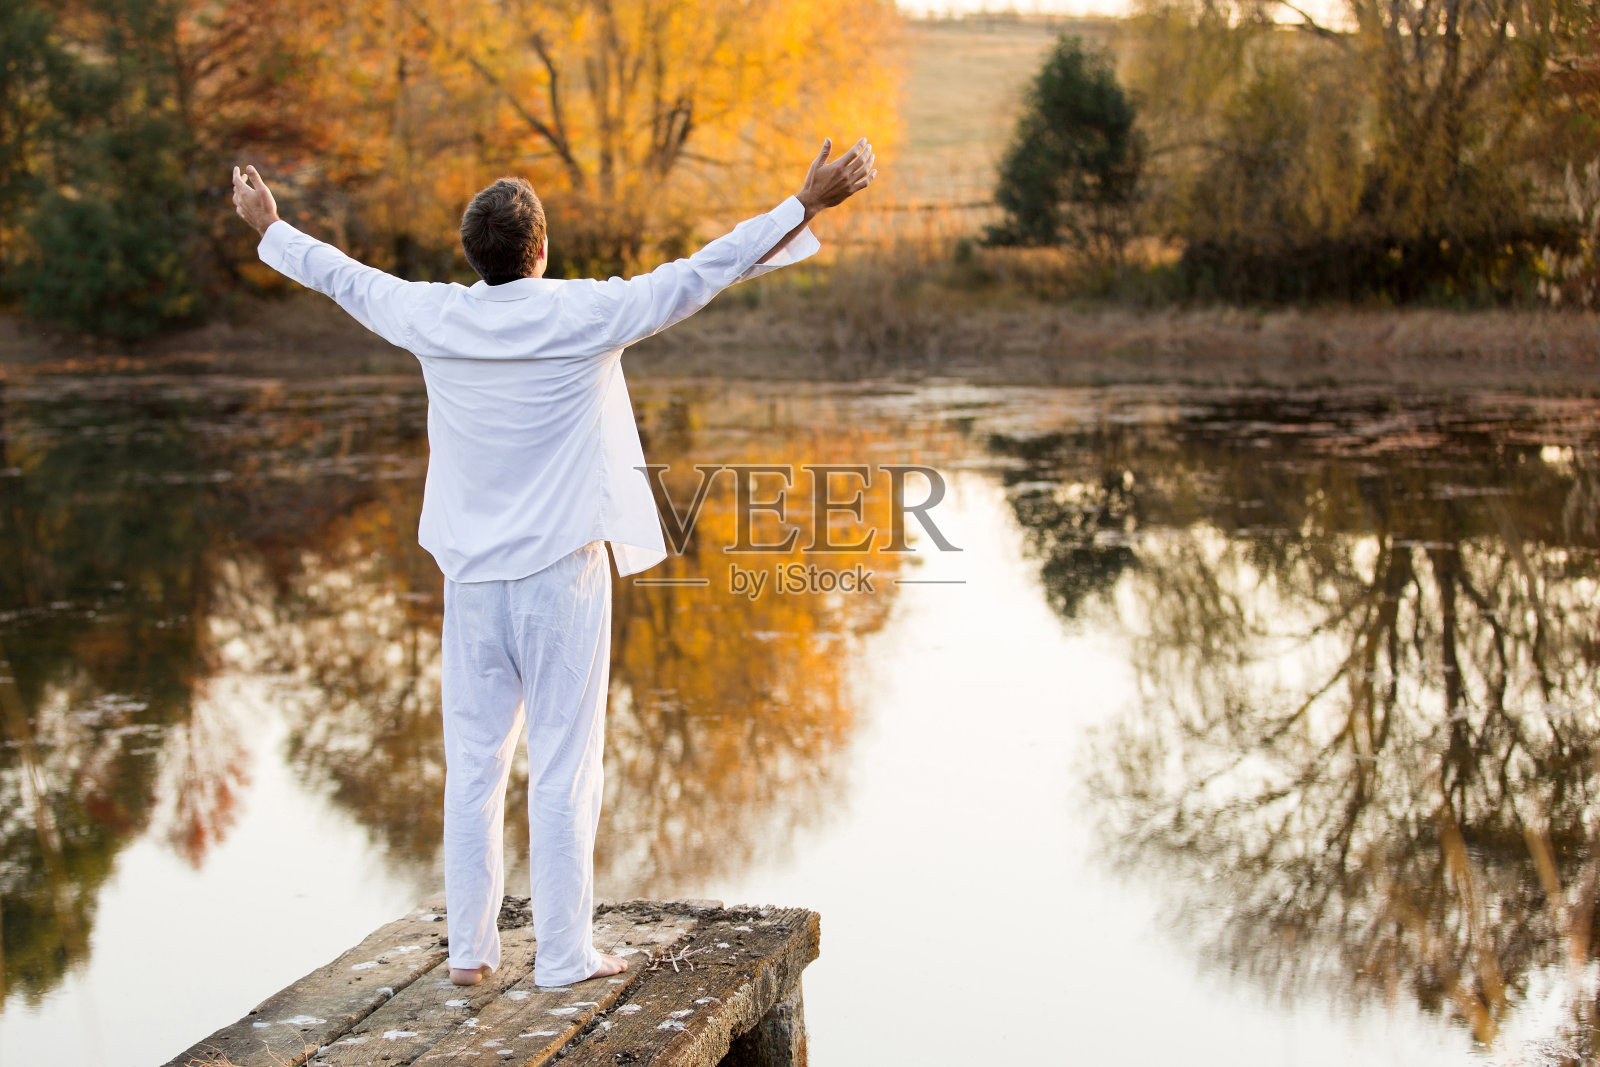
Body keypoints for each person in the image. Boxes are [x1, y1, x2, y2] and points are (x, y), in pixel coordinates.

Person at [229, 139, 876, 988]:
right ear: (541, 250)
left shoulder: (434, 315)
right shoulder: (586, 312)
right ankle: (564, 956)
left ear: (476, 255)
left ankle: (469, 952)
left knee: (474, 763)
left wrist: (272, 228)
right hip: (562, 578)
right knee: (566, 763)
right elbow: (701, 271)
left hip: (472, 582)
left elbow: (347, 277)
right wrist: (805, 204)